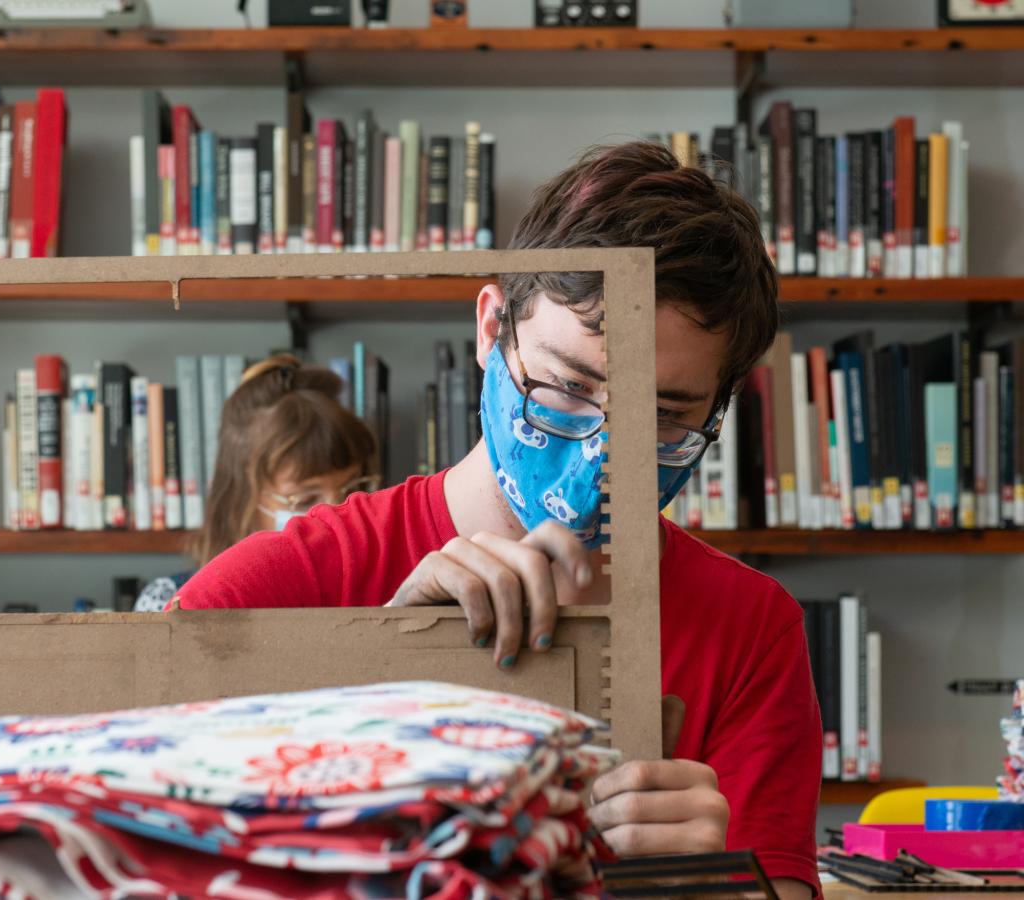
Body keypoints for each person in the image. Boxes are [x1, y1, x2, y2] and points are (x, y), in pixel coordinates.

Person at [168, 143, 822, 897]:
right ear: (490, 328)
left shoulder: (750, 631)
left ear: (720, 411)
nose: (601, 456)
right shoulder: (282, 583)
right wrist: (362, 679)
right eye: (567, 386)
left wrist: (713, 888)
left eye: (664, 417)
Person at [133, 354, 379, 611]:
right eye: (305, 499)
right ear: (242, 500)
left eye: (353, 487)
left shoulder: (386, 595)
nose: (338, 513)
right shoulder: (171, 602)